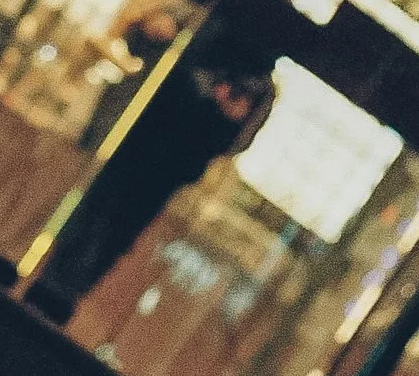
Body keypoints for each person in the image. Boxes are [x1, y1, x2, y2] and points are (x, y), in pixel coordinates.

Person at [21, 44, 273, 328]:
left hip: (160, 166)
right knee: (96, 219)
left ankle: (59, 292)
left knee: (108, 229)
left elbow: (234, 138)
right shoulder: (214, 53)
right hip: (144, 153)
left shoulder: (251, 82)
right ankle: (54, 287)